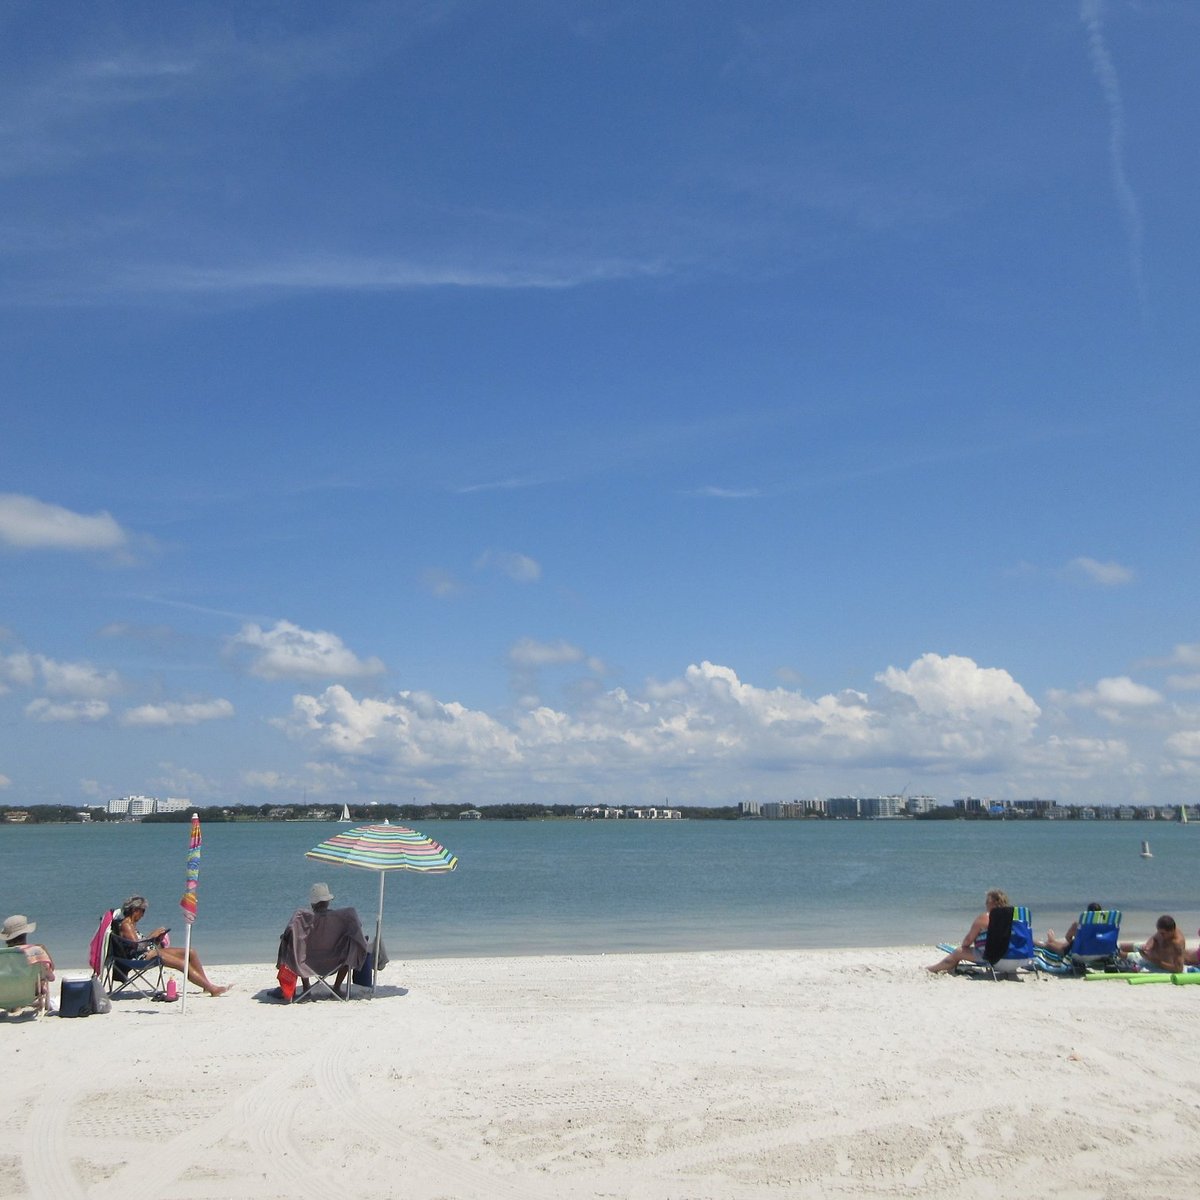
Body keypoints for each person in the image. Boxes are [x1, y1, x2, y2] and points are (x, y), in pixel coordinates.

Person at [114, 895, 230, 996]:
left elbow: (139, 944)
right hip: (141, 957)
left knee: (190, 952)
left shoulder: (131, 923)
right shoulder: (126, 925)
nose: (143, 914)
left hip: (149, 951)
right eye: (142, 911)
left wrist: (156, 939)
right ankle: (212, 989)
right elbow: (136, 947)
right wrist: (152, 936)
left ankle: (205, 984)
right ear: (135, 910)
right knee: (182, 963)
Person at [926, 889, 1011, 974]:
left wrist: (965, 948)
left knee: (958, 952)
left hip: (994, 959)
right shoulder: (1014, 918)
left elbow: (968, 941)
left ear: (993, 903)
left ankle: (933, 969)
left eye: (987, 902)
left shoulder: (985, 918)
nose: (985, 904)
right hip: (1015, 959)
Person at [2, 913, 56, 1013]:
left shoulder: (3, 956)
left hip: (4, 996)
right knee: (40, 978)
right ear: (25, 933)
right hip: (30, 994)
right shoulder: (36, 951)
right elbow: (51, 977)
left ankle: (13, 1006)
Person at [1120, 915, 1185, 973]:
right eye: (1159, 932)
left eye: (1162, 933)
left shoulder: (1177, 943)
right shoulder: (1165, 931)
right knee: (1122, 946)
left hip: (1156, 964)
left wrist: (1157, 961)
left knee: (1124, 956)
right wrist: (1148, 946)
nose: (1160, 935)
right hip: (1149, 956)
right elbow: (1154, 937)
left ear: (1172, 931)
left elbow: (1178, 969)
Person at [1038, 902, 1103, 955]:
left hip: (1081, 952)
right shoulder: (1106, 926)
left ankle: (1050, 941)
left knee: (1048, 944)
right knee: (1066, 943)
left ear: (1088, 913)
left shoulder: (1078, 925)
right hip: (1099, 951)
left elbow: (1067, 938)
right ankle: (1053, 940)